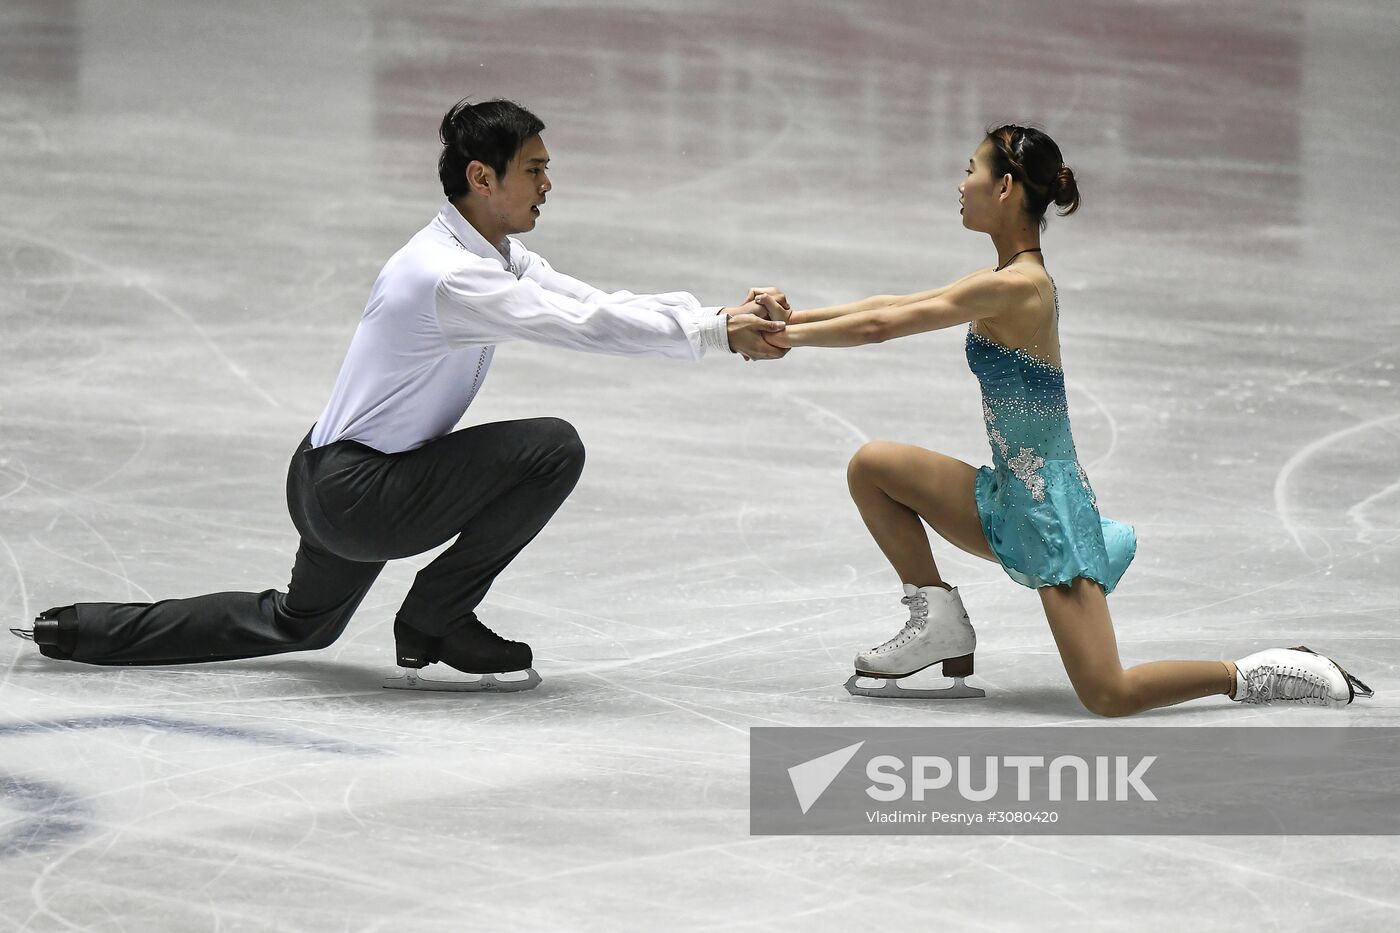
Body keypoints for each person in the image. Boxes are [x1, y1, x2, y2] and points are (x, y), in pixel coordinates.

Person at [10, 97, 790, 692]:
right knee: (552, 447)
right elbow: (580, 325)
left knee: (296, 623)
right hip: (360, 491)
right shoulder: (451, 274)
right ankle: (436, 617)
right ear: (481, 177)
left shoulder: (488, 254)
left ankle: (77, 630)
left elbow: (592, 299)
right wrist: (715, 335)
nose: (549, 183)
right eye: (534, 169)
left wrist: (717, 318)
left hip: (323, 476)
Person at [755, 124, 1374, 715]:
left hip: (1050, 515)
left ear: (1005, 188)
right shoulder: (1000, 278)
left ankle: (1268, 671)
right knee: (874, 467)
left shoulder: (1022, 287)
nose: (960, 183)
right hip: (1006, 497)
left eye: (971, 170)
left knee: (1109, 694)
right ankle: (939, 621)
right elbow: (892, 303)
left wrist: (784, 338)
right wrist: (789, 321)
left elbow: (881, 326)